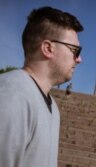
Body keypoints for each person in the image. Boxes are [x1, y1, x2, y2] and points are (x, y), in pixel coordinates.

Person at [0, 6, 83, 167]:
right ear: (48, 48)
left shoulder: (52, 107)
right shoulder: (12, 95)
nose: (79, 59)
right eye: (75, 50)